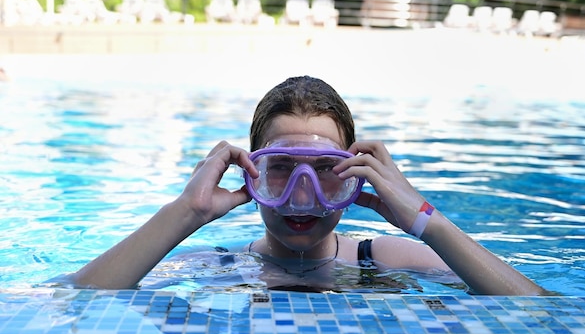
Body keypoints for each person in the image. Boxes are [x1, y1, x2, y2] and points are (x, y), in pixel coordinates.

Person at [67, 76, 549, 295]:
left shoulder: (385, 258)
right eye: (281, 166)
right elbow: (63, 304)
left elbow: (544, 313)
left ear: (358, 171)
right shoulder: (213, 264)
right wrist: (183, 214)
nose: (303, 196)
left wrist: (425, 219)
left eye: (324, 168)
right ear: (248, 172)